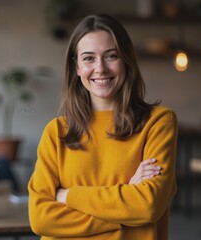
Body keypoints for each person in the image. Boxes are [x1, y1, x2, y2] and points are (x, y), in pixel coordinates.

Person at [28, 14, 177, 240]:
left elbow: (147, 207)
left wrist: (68, 197)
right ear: (76, 67)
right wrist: (126, 205)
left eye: (111, 56)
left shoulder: (158, 122)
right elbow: (41, 218)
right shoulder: (56, 132)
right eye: (88, 58)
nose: (100, 68)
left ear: (126, 60)